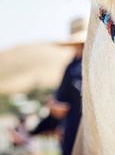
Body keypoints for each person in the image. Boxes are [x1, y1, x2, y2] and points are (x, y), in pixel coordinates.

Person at [49, 18, 86, 155]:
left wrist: (52, 105)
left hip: (76, 133)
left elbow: (61, 108)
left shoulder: (74, 68)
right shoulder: (74, 66)